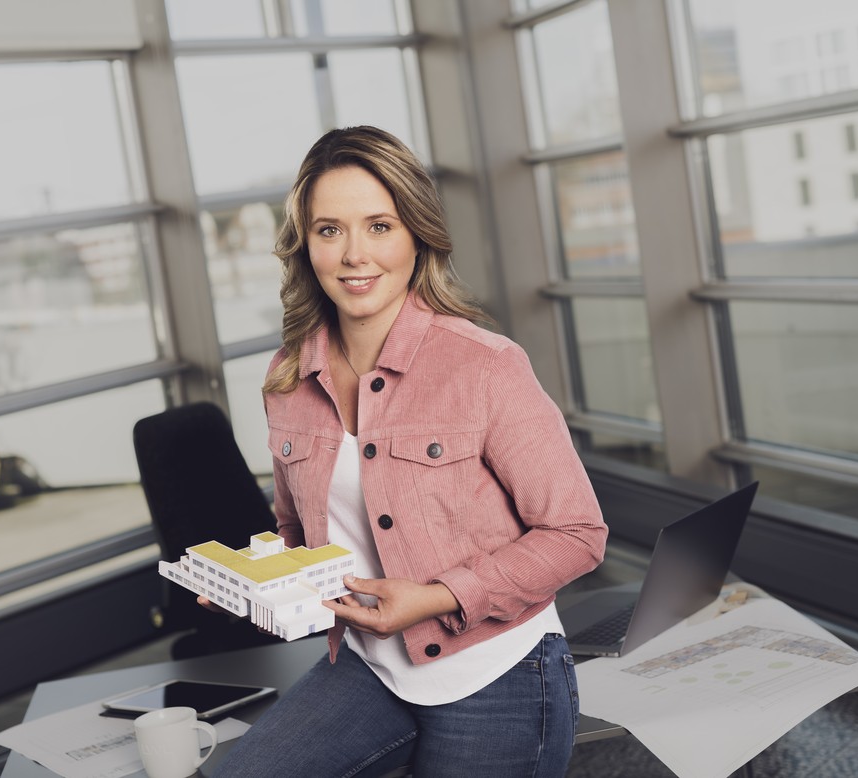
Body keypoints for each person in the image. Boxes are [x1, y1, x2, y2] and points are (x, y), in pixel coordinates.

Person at [210, 125, 607, 778]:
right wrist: (250, 582)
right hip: (367, 664)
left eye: (379, 226)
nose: (354, 255)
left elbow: (576, 533)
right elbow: (297, 532)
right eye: (329, 230)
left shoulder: (485, 366)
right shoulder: (287, 375)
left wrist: (434, 597)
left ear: (416, 235)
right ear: (304, 244)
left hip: (497, 670)